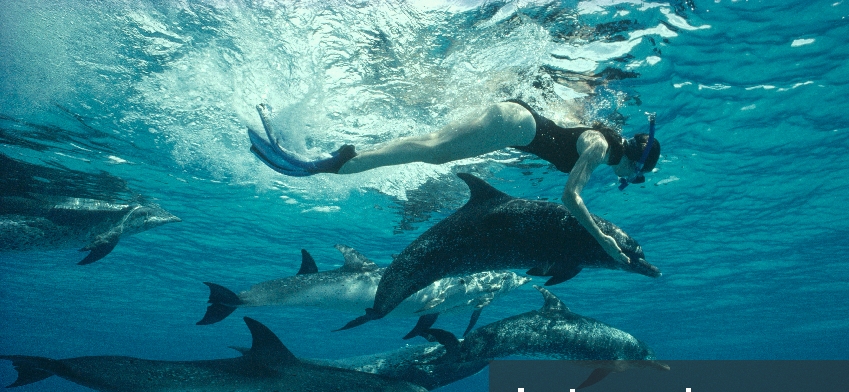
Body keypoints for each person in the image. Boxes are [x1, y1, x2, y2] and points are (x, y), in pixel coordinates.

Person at [247, 100, 660, 264]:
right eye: (637, 178)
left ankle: (341, 159)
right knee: (433, 149)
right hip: (515, 124)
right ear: (637, 166)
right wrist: (603, 241)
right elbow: (570, 197)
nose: (630, 181)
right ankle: (328, 163)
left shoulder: (602, 141)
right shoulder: (602, 149)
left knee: (432, 148)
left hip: (516, 122)